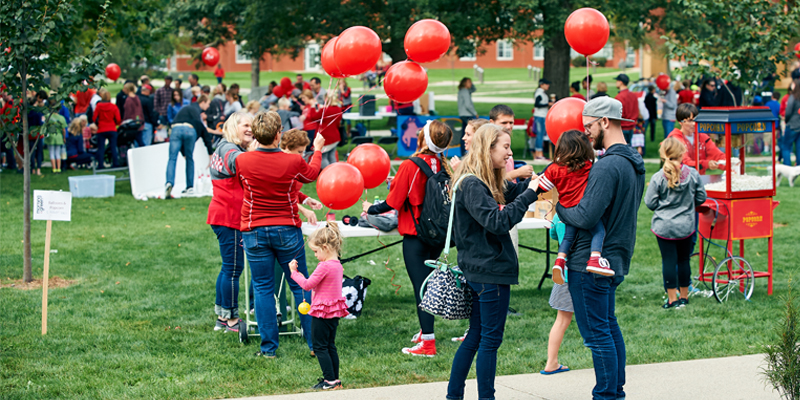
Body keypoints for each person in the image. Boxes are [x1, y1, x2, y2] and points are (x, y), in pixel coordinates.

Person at [555, 96, 645, 400]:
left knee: (596, 335)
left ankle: (607, 395)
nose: (586, 134)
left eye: (589, 126)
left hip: (589, 262)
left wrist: (558, 205)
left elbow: (586, 215)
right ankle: (615, 390)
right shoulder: (634, 161)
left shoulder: (607, 166)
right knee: (607, 326)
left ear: (604, 122)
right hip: (616, 256)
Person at [446, 123, 539, 400]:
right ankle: (486, 396)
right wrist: (531, 194)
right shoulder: (473, 184)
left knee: (476, 336)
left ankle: (455, 395)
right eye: (506, 147)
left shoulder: (477, 180)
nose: (509, 154)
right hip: (489, 272)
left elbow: (508, 194)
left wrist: (531, 185)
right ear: (488, 149)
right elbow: (498, 221)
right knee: (489, 340)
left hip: (480, 270)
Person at [236, 111, 326, 358]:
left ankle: (268, 349)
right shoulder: (293, 162)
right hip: (287, 229)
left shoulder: (242, 160)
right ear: (278, 135)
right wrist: (317, 149)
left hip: (254, 230)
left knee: (263, 288)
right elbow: (311, 173)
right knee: (300, 285)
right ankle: (314, 345)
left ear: (255, 135)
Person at [362, 120, 454, 357]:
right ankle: (425, 332)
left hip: (416, 235)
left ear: (423, 138)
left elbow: (392, 202)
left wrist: (370, 208)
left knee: (421, 289)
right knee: (430, 285)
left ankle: (428, 343)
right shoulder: (442, 164)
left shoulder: (411, 164)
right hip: (437, 233)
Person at [539, 129, 613, 282]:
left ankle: (560, 261)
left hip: (566, 209)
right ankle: (595, 258)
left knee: (568, 237)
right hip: (584, 209)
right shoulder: (588, 166)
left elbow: (543, 186)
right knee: (599, 232)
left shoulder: (554, 168)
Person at [645, 137, 707, 309]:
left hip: (664, 226)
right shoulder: (693, 174)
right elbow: (702, 197)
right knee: (683, 260)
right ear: (682, 154)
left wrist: (663, 207)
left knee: (668, 261)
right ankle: (685, 296)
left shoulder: (658, 177)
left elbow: (650, 202)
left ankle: (672, 298)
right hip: (685, 225)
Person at [207, 111, 255, 334]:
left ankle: (222, 317)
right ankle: (232, 321)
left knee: (228, 268)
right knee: (234, 268)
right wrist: (256, 154)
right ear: (233, 126)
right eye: (245, 125)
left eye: (252, 126)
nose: (250, 129)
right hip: (229, 217)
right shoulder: (229, 149)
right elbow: (238, 164)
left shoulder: (226, 147)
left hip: (224, 215)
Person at [289, 223, 349, 390]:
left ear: (325, 247)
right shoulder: (337, 264)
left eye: (316, 251)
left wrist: (294, 274)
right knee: (330, 345)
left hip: (322, 314)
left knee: (319, 346)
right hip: (334, 313)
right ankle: (334, 379)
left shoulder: (324, 266)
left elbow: (307, 285)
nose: (315, 255)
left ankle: (329, 381)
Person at [165, 95, 220, 198]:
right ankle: (189, 187)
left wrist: (183, 152)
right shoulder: (195, 111)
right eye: (208, 104)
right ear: (202, 102)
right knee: (190, 159)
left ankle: (169, 182)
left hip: (175, 129)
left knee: (172, 158)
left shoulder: (187, 109)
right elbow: (202, 130)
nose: (208, 107)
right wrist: (210, 152)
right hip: (189, 129)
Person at [541, 213, 573, 375]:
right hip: (575, 273)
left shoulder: (558, 214)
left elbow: (553, 234)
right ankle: (551, 362)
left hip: (563, 272)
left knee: (561, 320)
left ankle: (552, 361)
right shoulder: (584, 212)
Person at [667, 103, 725, 174]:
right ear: (680, 122)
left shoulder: (703, 137)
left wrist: (730, 163)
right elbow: (685, 163)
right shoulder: (674, 139)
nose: (694, 124)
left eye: (696, 120)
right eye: (690, 121)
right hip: (679, 180)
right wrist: (706, 164)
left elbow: (717, 155)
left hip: (699, 180)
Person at [489, 105, 534, 182]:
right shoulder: (490, 145)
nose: (509, 126)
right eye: (504, 123)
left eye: (511, 122)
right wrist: (518, 173)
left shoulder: (505, 140)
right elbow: (494, 181)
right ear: (492, 123)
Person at [307, 92, 343, 168]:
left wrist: (313, 106)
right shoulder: (338, 109)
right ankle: (336, 172)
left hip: (326, 137)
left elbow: (313, 117)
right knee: (332, 156)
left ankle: (328, 173)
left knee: (323, 157)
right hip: (335, 136)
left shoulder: (325, 110)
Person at [92, 88, 121, 169]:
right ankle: (115, 163)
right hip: (111, 128)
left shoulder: (99, 106)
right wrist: (116, 124)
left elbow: (94, 117)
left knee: (101, 148)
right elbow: (118, 119)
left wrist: (98, 123)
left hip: (101, 128)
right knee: (113, 147)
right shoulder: (113, 106)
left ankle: (100, 164)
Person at [614, 74, 638, 145]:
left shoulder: (619, 97)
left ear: (621, 82)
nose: (616, 83)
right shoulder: (633, 95)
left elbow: (618, 114)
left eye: (617, 81)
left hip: (622, 127)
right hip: (632, 126)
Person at [533, 79, 554, 159]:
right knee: (540, 135)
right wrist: (547, 104)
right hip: (540, 116)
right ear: (541, 85)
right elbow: (537, 104)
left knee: (541, 134)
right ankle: (538, 154)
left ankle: (539, 153)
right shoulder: (539, 93)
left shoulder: (542, 93)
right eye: (546, 84)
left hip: (543, 115)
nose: (548, 86)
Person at [44, 105, 68, 174]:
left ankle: (54, 168)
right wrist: (64, 137)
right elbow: (64, 129)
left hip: (51, 135)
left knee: (52, 152)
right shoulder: (61, 118)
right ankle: (59, 168)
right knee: (58, 153)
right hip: (59, 136)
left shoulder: (48, 116)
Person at [457, 77, 478, 154]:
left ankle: (463, 152)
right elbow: (468, 105)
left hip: (463, 114)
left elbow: (474, 89)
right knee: (470, 133)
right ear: (465, 83)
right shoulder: (465, 91)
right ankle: (466, 151)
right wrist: (474, 113)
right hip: (467, 114)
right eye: (469, 82)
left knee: (464, 133)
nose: (471, 84)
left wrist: (472, 84)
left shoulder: (462, 91)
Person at [783, 81, 800, 166]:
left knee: (786, 146)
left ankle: (787, 165)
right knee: (799, 147)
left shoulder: (793, 97)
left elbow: (788, 111)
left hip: (792, 124)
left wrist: (786, 120)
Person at [765, 90, 781, 156]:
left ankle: (766, 149)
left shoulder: (768, 104)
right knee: (774, 137)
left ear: (772, 96)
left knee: (766, 137)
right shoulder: (778, 104)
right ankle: (773, 149)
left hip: (768, 123)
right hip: (775, 123)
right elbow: (779, 113)